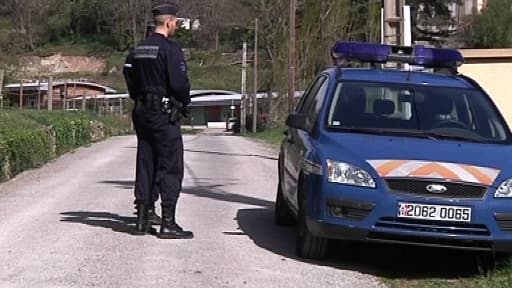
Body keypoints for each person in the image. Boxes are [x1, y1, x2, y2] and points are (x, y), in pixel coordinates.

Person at [123, 2, 193, 239]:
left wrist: (140, 97)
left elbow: (129, 76)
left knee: (146, 162)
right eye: (176, 23)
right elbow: (179, 85)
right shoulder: (170, 49)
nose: (176, 27)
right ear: (170, 22)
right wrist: (183, 102)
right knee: (170, 166)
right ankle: (168, 223)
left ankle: (142, 220)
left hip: (142, 112)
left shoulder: (137, 49)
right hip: (164, 114)